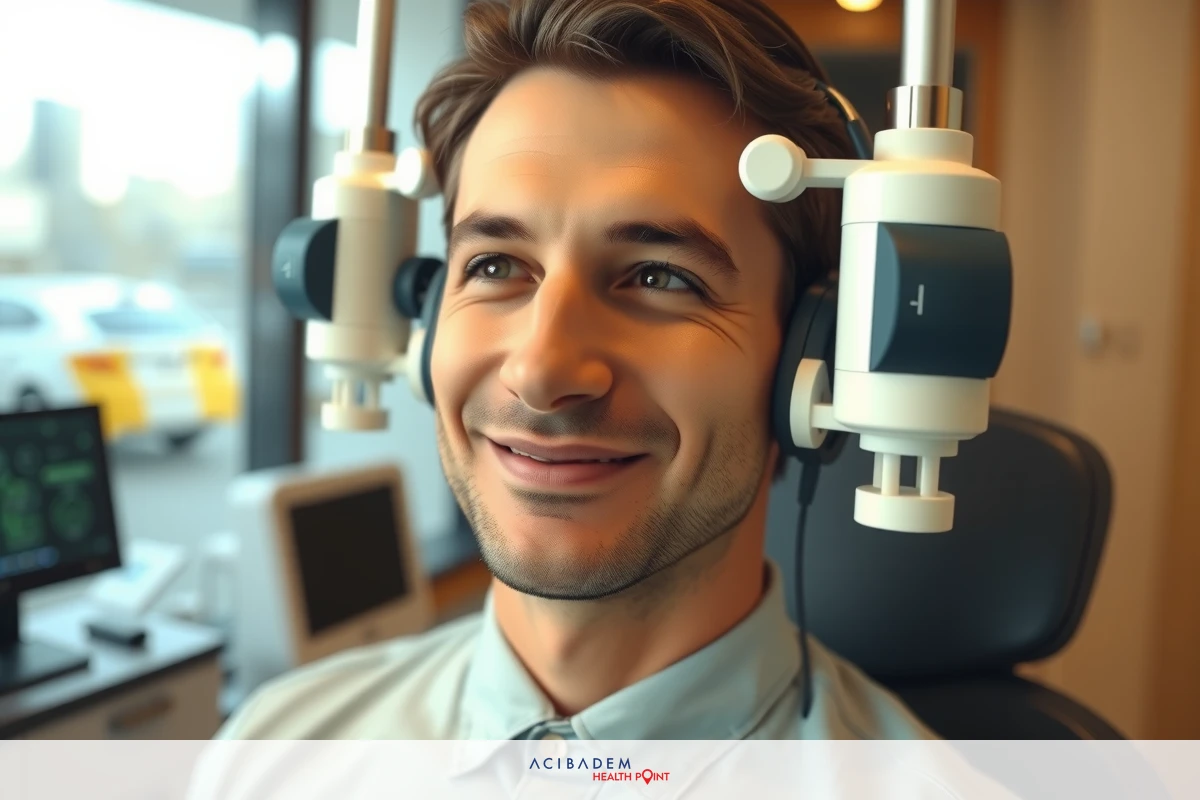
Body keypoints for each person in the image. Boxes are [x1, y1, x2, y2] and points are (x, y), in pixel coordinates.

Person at [219, 0, 934, 741]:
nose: (540, 370)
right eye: (496, 266)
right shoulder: (271, 752)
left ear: (810, 361)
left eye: (660, 276)